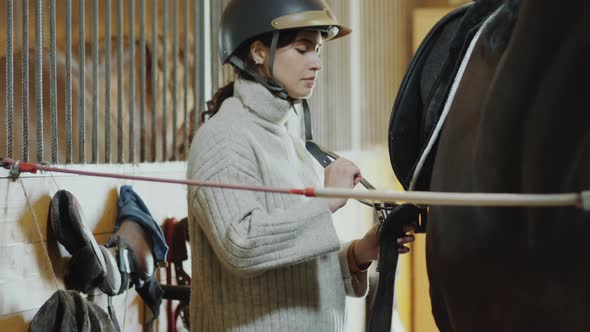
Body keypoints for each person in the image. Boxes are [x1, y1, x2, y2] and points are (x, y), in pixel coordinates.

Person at [187, 0, 415, 330]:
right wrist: (326, 201)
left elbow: (293, 263)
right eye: (302, 49)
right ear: (259, 52)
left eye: (318, 50)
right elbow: (241, 245)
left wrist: (359, 253)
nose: (316, 63)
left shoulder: (287, 139)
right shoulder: (223, 137)